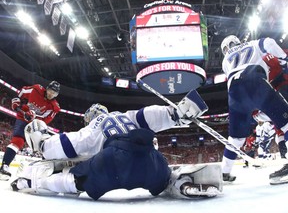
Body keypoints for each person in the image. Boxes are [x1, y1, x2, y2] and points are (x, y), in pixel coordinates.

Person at [11, 92, 223, 198]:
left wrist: (44, 145)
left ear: (92, 116)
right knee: (163, 176)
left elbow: (70, 144)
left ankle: (30, 183)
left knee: (74, 181)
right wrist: (176, 115)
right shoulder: (126, 116)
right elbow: (149, 115)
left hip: (111, 163)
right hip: (147, 157)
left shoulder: (94, 126)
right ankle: (178, 183)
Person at [220, 35, 288, 184]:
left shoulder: (226, 61)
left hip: (234, 92)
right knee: (286, 121)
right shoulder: (252, 44)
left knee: (236, 138)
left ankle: (224, 173)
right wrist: (283, 59)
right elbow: (269, 42)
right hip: (254, 80)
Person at [0, 81, 61, 180]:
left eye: (54, 93)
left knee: (44, 146)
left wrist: (34, 116)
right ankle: (4, 166)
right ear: (47, 88)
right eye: (50, 91)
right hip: (22, 117)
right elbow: (22, 92)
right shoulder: (36, 89)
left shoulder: (54, 107)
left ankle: (44, 173)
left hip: (35, 123)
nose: (51, 94)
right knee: (18, 141)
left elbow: (45, 121)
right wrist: (17, 101)